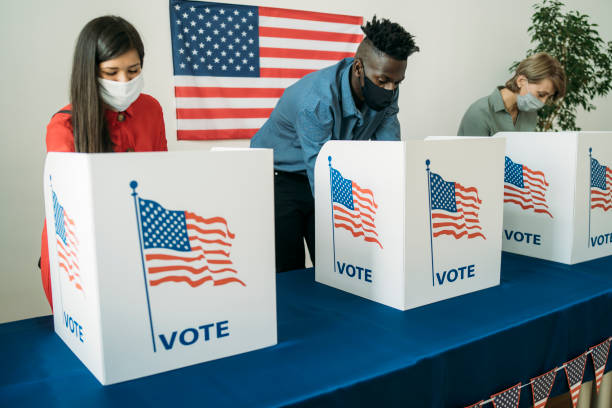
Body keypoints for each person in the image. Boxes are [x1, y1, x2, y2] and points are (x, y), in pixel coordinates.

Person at [250, 16, 419, 272]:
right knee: (289, 270)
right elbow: (321, 171)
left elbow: (390, 152)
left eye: (397, 82)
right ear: (359, 68)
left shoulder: (389, 89)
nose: (390, 88)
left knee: (336, 264)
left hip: (330, 172)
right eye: (383, 81)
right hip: (280, 179)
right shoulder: (316, 101)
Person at [40, 16, 167, 309]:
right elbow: (69, 211)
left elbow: (161, 173)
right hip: (82, 251)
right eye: (111, 72)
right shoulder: (64, 126)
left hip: (138, 242)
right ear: (90, 72)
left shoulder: (151, 108)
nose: (124, 82)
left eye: (133, 70)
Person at [457, 52, 566, 136]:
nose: (543, 102)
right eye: (541, 94)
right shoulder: (480, 113)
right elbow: (472, 161)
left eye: (549, 97)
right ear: (521, 81)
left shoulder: (529, 114)